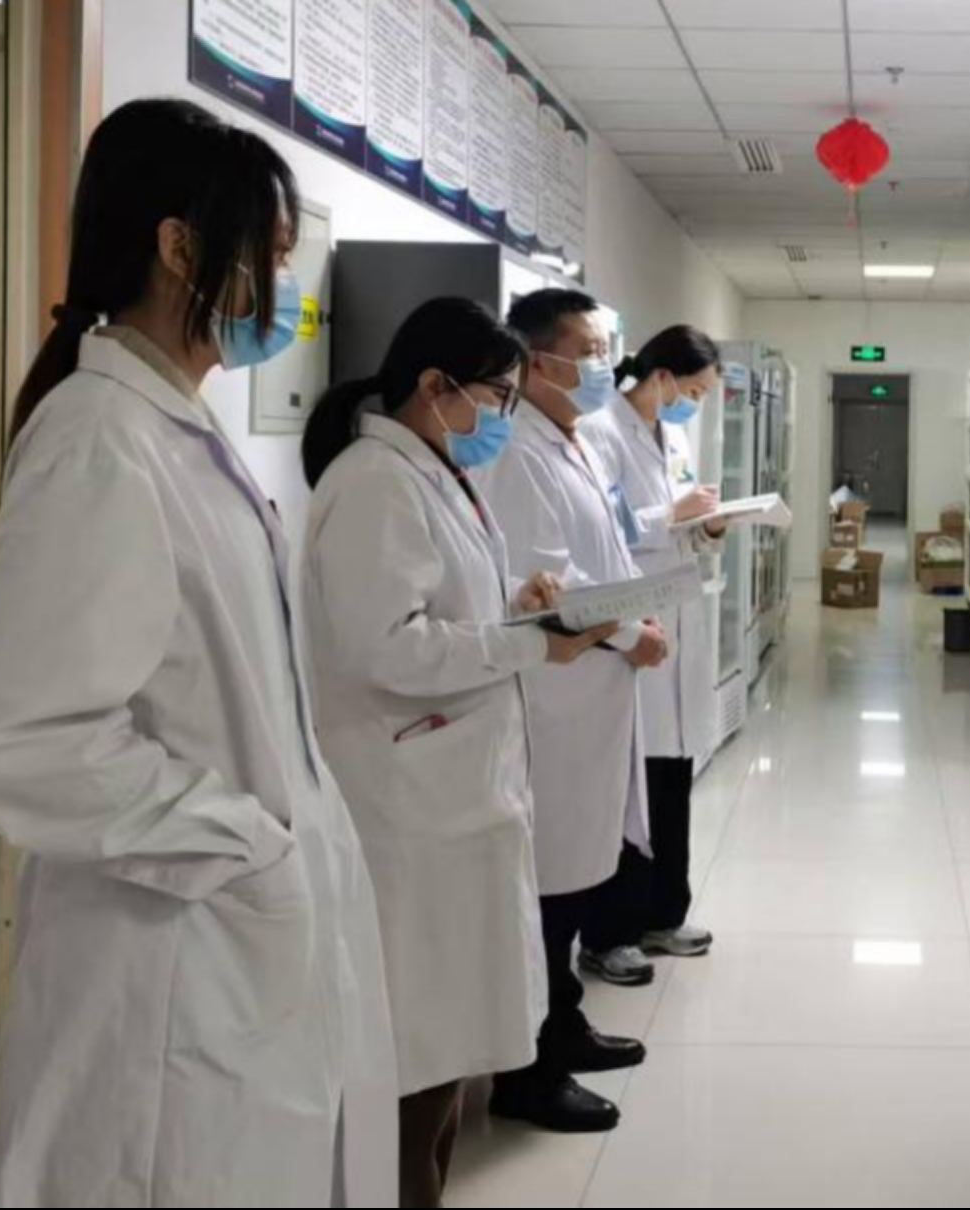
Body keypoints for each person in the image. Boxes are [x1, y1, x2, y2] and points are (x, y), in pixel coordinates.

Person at [0, 98, 399, 1207]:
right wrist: (240, 840)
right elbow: (12, 744)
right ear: (181, 247)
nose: (281, 287)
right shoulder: (100, 443)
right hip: (169, 968)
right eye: (269, 256)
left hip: (229, 950)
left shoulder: (173, 427)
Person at [299, 297, 616, 1208]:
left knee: (441, 1044)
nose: (502, 417)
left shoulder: (430, 470)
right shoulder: (375, 481)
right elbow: (387, 647)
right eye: (496, 396)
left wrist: (516, 598)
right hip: (407, 809)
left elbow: (440, 600)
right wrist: (527, 644)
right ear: (435, 385)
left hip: (452, 800)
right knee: (416, 1046)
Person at [480, 288, 661, 1134]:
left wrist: (638, 623)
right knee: (549, 886)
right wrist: (630, 633)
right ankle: (529, 1069)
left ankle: (564, 1021)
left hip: (594, 693)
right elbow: (551, 585)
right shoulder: (518, 451)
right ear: (536, 359)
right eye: (587, 350)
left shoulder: (570, 439)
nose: (602, 364)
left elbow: (603, 555)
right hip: (556, 698)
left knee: (578, 874)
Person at [579, 324, 726, 985]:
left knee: (671, 781)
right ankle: (610, 934)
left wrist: (708, 524)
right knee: (628, 791)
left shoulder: (674, 435)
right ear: (663, 376)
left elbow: (680, 521)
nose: (695, 403)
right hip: (631, 622)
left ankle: (665, 913)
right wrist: (672, 514)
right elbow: (602, 528)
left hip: (676, 616)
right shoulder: (602, 432)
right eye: (693, 390)